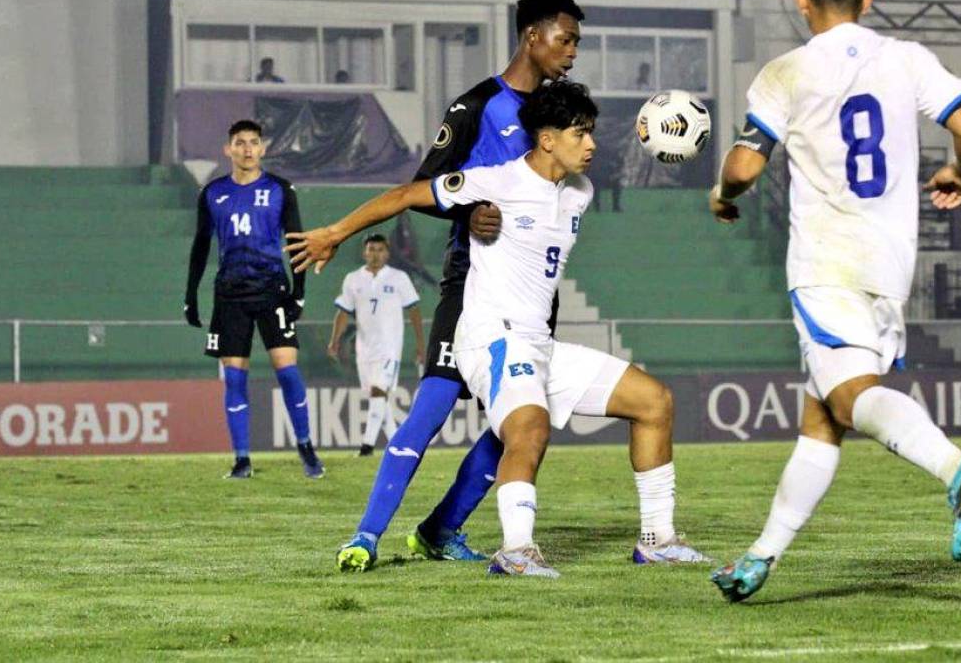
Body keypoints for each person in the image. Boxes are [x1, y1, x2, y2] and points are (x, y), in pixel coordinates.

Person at [288, 80, 707, 577]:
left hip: (538, 342)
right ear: (547, 139)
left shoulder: (580, 191)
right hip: (490, 335)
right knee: (528, 429)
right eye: (580, 133)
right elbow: (405, 194)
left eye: (591, 132)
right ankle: (516, 551)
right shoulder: (497, 181)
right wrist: (335, 233)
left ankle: (657, 539)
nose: (591, 144)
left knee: (654, 401)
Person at [707, 0, 961, 603]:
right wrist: (960, 170)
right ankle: (758, 559)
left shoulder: (784, 72)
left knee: (843, 398)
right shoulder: (907, 58)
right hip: (889, 266)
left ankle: (958, 469)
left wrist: (722, 195)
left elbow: (746, 166)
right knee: (821, 420)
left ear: (800, 0)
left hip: (826, 263)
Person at [325, 0, 585, 572]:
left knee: (517, 425)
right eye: (565, 40)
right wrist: (468, 212)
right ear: (532, 36)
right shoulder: (477, 107)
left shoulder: (557, 116)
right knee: (433, 406)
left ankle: (441, 530)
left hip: (532, 293)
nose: (572, 52)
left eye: (576, 43)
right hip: (473, 281)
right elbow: (424, 187)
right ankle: (365, 536)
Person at [184, 119, 323, 480]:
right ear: (228, 149)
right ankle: (242, 460)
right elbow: (201, 246)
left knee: (287, 371)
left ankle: (306, 447)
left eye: (253, 143)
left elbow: (297, 243)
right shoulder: (212, 194)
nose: (247, 149)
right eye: (240, 143)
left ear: (262, 149)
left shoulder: (280, 190)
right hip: (229, 295)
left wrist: (300, 293)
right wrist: (190, 296)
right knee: (234, 378)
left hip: (271, 290)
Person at [327, 234, 425, 456]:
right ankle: (396, 445)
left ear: (387, 253)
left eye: (380, 250)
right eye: (371, 249)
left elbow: (414, 311)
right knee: (378, 397)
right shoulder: (353, 279)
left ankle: (367, 446)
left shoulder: (399, 278)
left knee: (378, 391)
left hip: (390, 348)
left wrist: (420, 344)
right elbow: (342, 312)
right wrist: (334, 341)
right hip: (365, 349)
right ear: (365, 252)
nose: (375, 254)